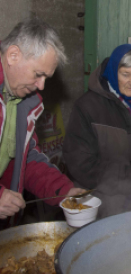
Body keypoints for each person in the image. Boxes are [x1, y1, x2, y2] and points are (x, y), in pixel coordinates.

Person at [63, 44, 131, 218]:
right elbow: (79, 163)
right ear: (112, 72)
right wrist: (129, 177)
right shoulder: (88, 107)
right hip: (105, 207)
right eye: (126, 74)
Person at [0, 18, 84, 225]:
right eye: (38, 74)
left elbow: (26, 159)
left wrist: (64, 190)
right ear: (13, 55)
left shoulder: (21, 102)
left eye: (46, 77)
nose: (41, 86)